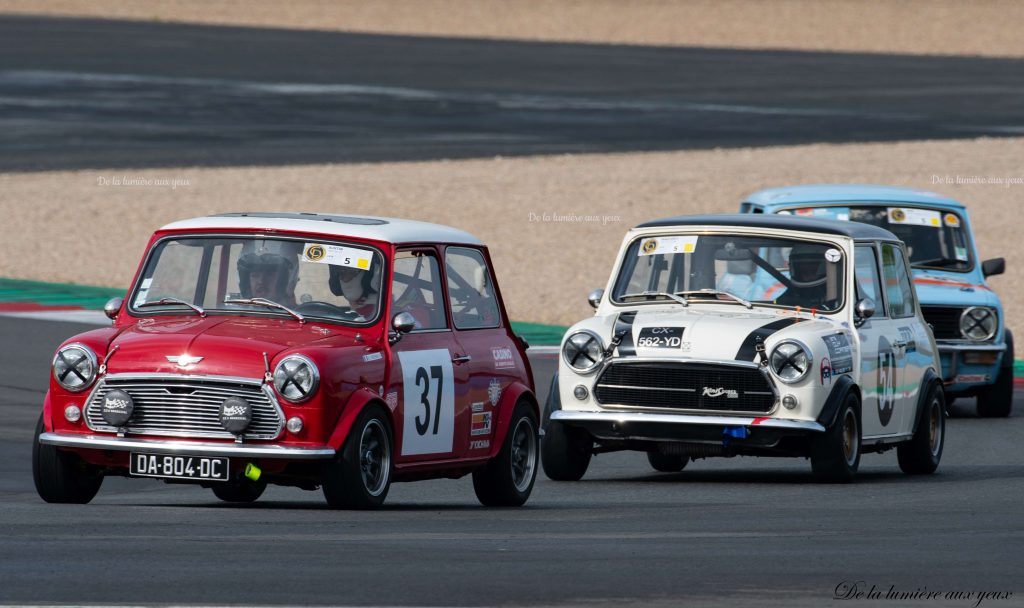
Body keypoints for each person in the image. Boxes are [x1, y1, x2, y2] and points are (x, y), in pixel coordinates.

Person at [237, 242, 300, 306]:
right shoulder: (236, 313)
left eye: (269, 275)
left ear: (283, 280)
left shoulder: (297, 314)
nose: (261, 281)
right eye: (255, 275)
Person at [774, 245, 832, 309]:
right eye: (803, 272)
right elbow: (779, 304)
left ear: (826, 268)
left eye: (812, 271)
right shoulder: (795, 290)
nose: (807, 277)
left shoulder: (835, 290)